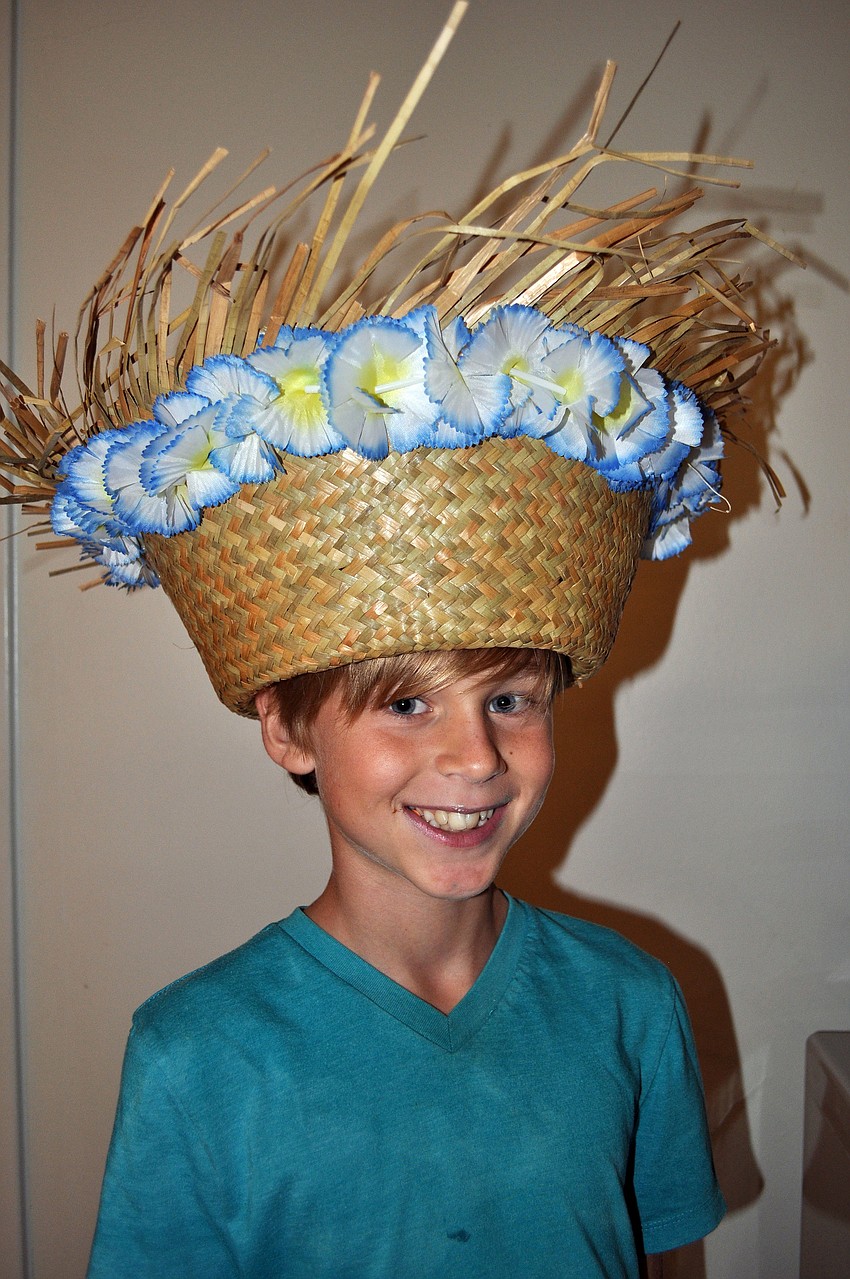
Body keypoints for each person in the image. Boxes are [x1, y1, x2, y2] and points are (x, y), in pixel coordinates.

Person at [0, 8, 783, 1275]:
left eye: (511, 698)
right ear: (285, 726)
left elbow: (659, 1257)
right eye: (406, 703)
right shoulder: (198, 1054)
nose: (474, 757)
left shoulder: (630, 998)